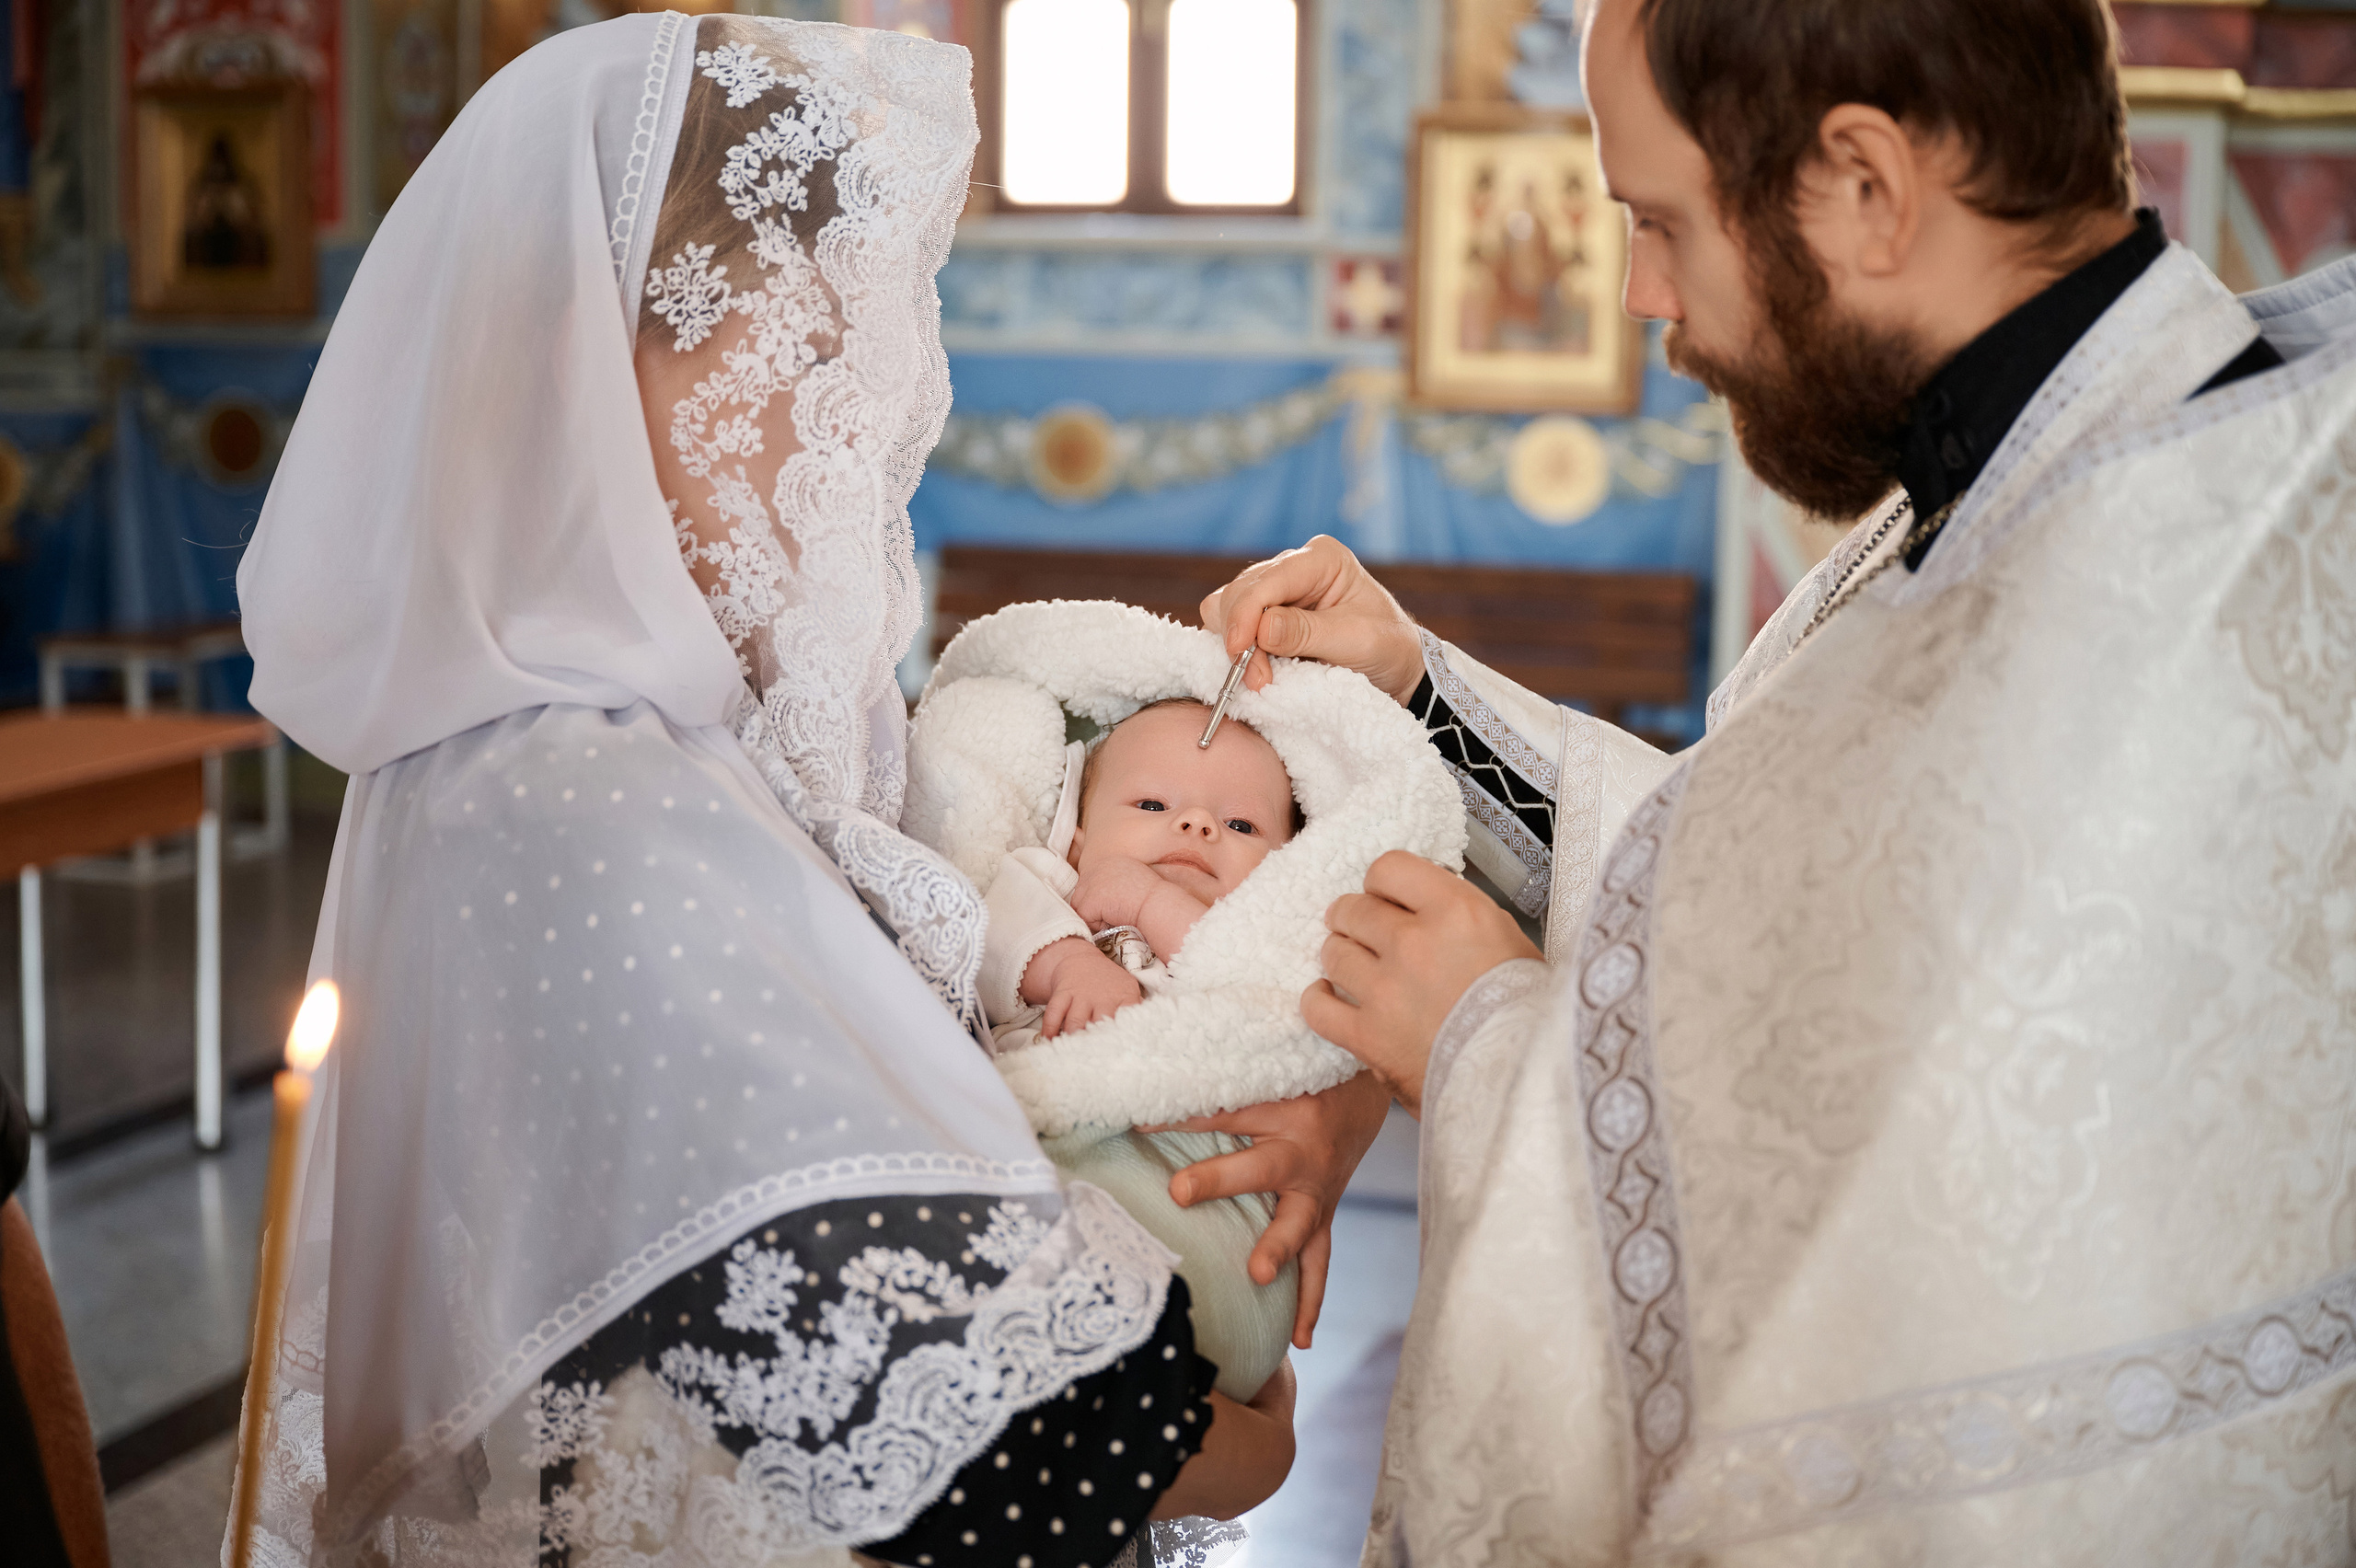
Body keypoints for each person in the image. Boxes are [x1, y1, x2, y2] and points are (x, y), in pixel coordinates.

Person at [1203, 0, 2356, 1559]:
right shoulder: (2092, 472)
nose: (1640, 294)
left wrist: (1483, 1049)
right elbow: (1772, 888)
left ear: (1868, 189)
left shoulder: (2129, 611)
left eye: (1662, 221)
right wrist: (1415, 689)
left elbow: (1926, 1306)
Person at [230, 15, 1378, 1564]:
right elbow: (962, 1420)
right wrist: (1251, 1425)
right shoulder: (577, 794)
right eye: (810, 353)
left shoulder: (661, 745)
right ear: (605, 355)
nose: (851, 440)